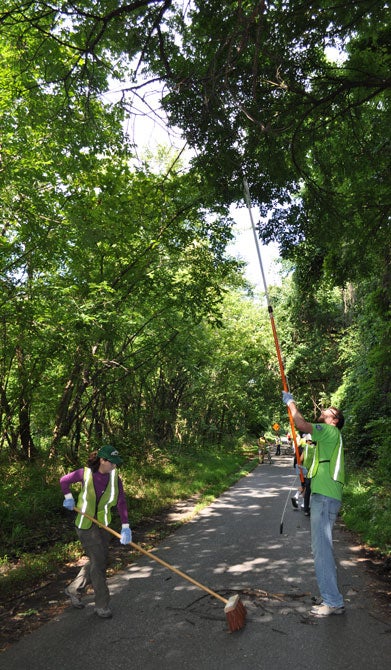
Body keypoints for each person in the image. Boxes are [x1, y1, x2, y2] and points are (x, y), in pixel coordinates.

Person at [282, 392, 345, 618]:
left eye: (329, 410)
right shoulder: (327, 439)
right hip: (324, 494)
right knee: (321, 549)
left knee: (322, 551)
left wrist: (291, 403)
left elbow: (300, 423)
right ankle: (331, 596)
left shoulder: (329, 430)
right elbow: (320, 465)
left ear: (334, 419)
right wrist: (306, 473)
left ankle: (333, 601)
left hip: (325, 497)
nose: (324, 410)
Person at [60, 444, 131, 619]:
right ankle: (102, 604)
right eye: (112, 463)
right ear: (102, 460)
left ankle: (73, 589)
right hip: (85, 525)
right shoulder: (84, 473)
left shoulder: (115, 478)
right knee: (99, 564)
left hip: (103, 525)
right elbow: (64, 481)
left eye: (116, 463)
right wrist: (68, 498)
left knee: (98, 559)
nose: (114, 466)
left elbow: (121, 502)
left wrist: (125, 527)